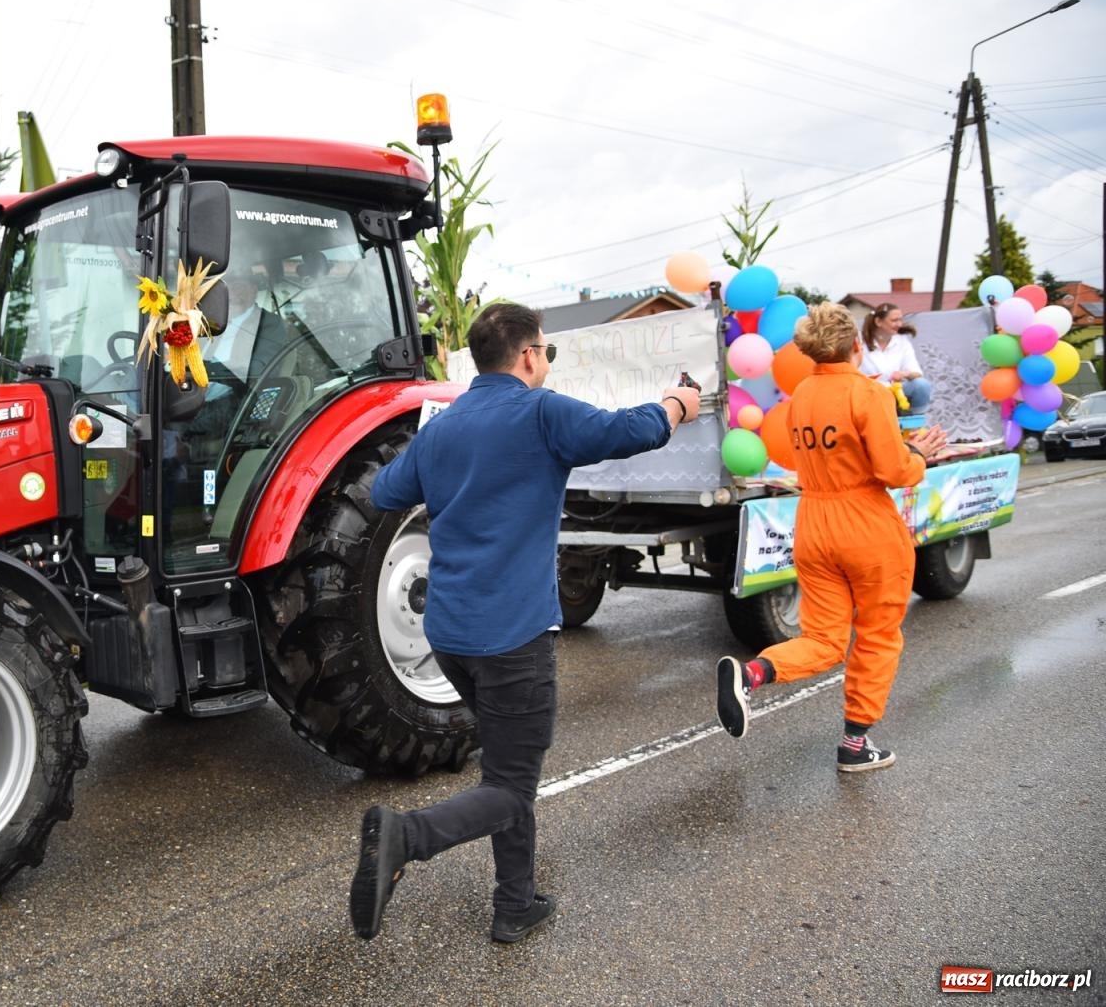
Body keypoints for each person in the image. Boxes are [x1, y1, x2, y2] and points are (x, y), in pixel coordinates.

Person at [348, 302, 701, 944]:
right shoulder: (542, 413)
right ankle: (407, 837)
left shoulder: (443, 428)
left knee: (505, 769)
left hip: (449, 636)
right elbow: (632, 431)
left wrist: (450, 470)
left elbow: (385, 492)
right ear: (530, 355)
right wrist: (678, 403)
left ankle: (515, 902)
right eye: (547, 352)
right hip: (511, 636)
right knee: (512, 786)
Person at [716, 302, 947, 772]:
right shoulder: (869, 393)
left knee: (823, 638)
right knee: (877, 636)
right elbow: (892, 470)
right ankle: (855, 744)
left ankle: (753, 672)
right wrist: (919, 456)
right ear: (856, 344)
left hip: (814, 523)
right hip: (866, 524)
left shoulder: (801, 394)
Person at [859, 302, 931, 415]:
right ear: (878, 322)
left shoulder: (902, 341)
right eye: (894, 320)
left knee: (922, 385)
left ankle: (916, 420)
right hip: (869, 393)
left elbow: (917, 373)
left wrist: (904, 374)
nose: (899, 324)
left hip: (895, 391)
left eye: (900, 320)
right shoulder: (860, 342)